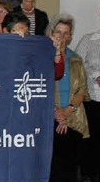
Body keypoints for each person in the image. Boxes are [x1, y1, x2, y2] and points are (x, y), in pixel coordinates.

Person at [47, 14, 90, 182]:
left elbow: (82, 90)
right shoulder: (43, 56)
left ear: (71, 36)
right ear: (51, 32)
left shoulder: (76, 59)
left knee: (70, 169)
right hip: (50, 118)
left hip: (73, 119)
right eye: (58, 32)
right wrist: (57, 113)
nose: (62, 37)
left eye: (66, 33)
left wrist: (67, 111)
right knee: (52, 168)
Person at [75, 27, 100, 182]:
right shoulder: (88, 39)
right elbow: (76, 65)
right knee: (91, 139)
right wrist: (95, 75)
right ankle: (88, 175)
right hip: (92, 99)